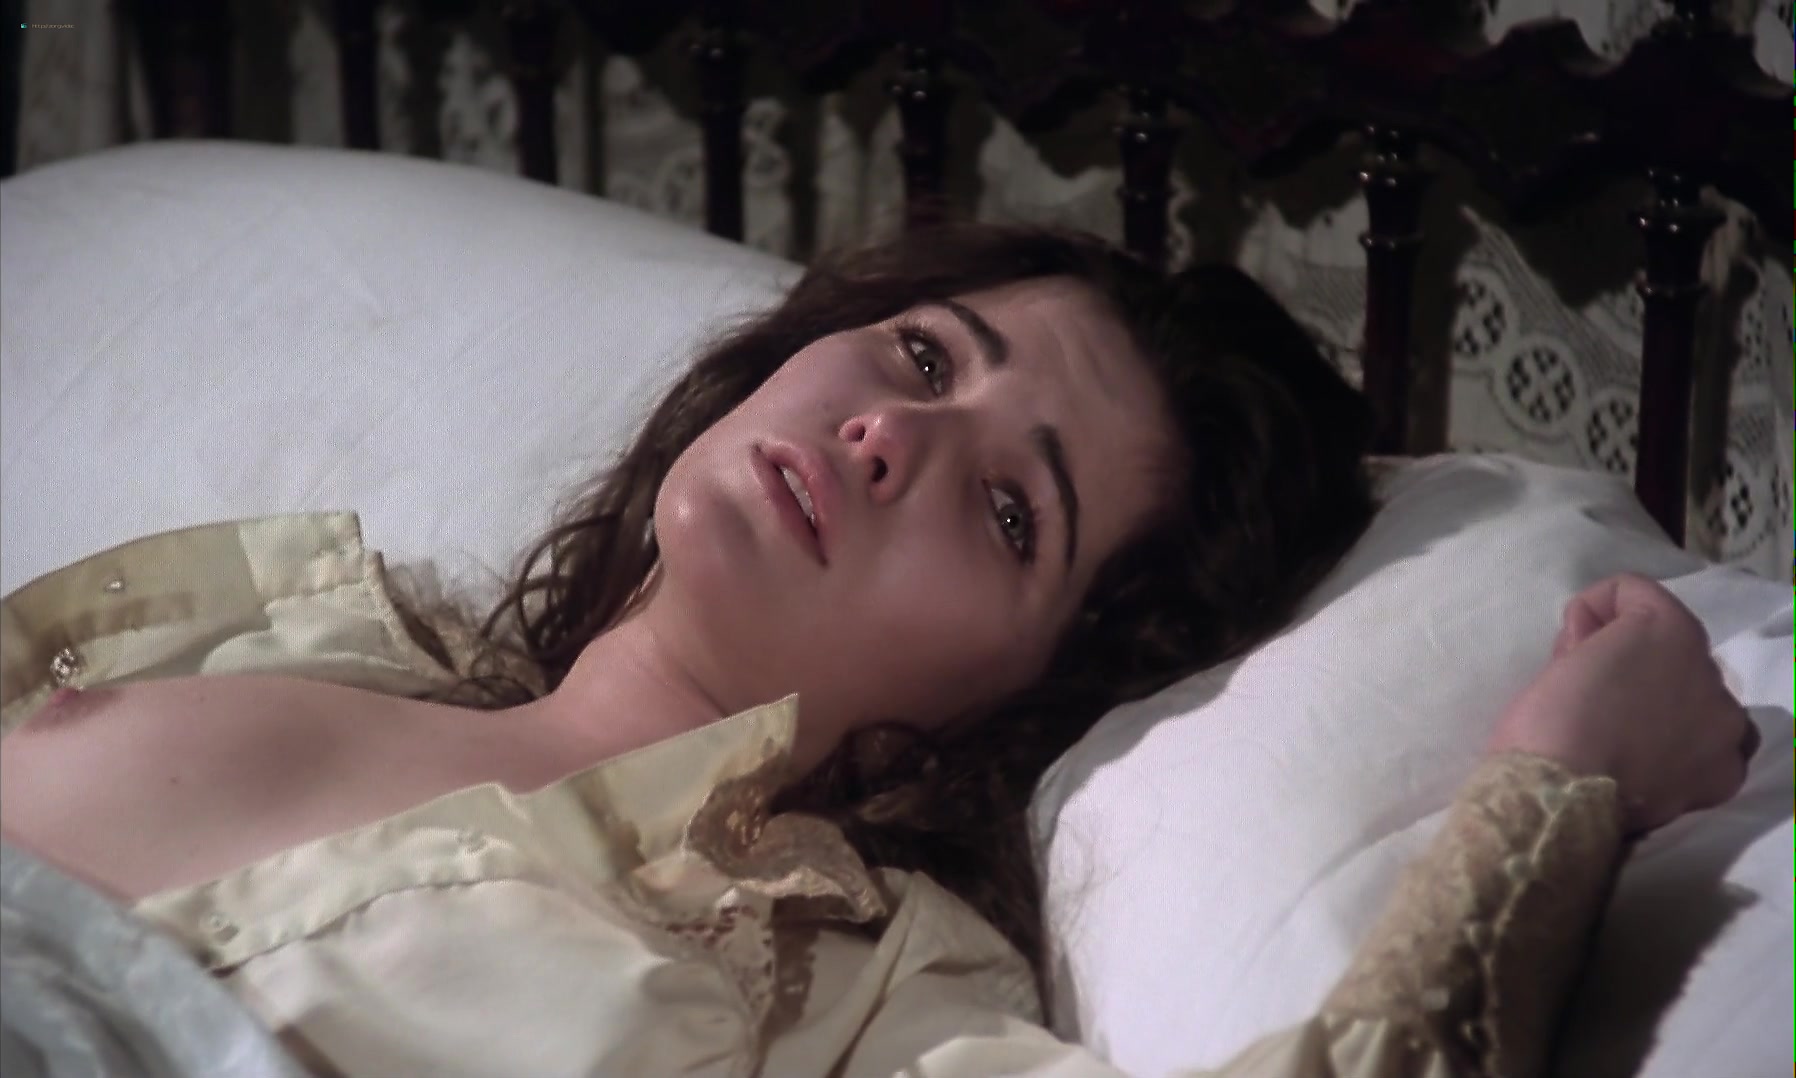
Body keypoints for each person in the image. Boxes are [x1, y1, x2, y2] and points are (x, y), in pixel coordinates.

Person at [0, 223, 1753, 1078]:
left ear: (1031, 698)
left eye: (1008, 510)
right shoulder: (321, 623)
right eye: (924, 357)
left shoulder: (851, 992)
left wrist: (1561, 782)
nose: (890, 435)